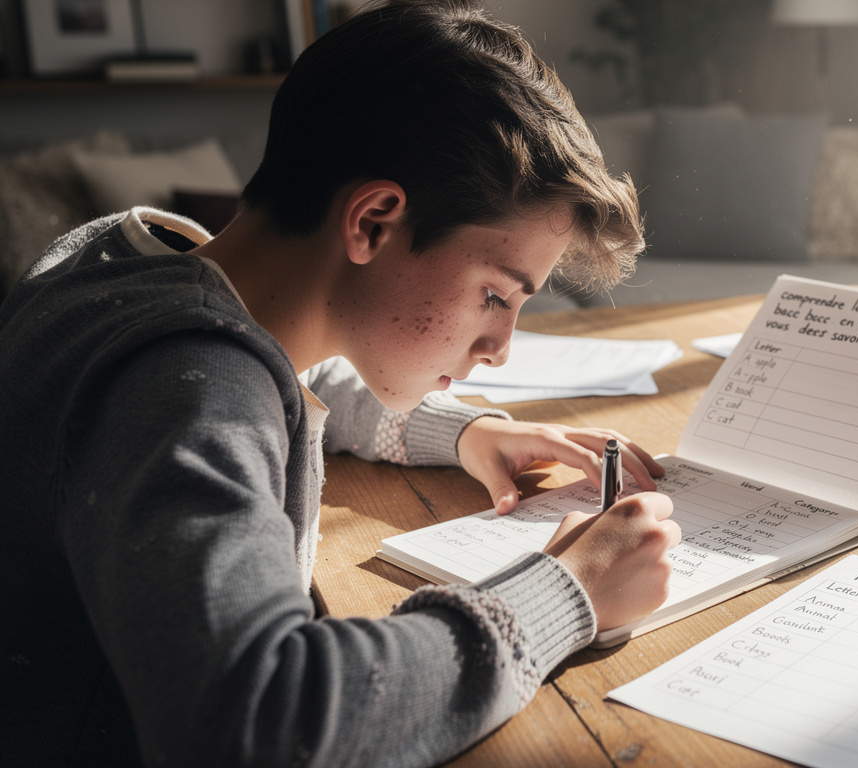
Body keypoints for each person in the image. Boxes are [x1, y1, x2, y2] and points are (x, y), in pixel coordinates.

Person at [0, 1, 681, 765]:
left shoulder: (114, 263)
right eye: (495, 294)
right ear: (373, 222)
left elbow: (302, 365)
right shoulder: (188, 389)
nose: (499, 349)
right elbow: (260, 722)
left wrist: (464, 430)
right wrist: (569, 592)